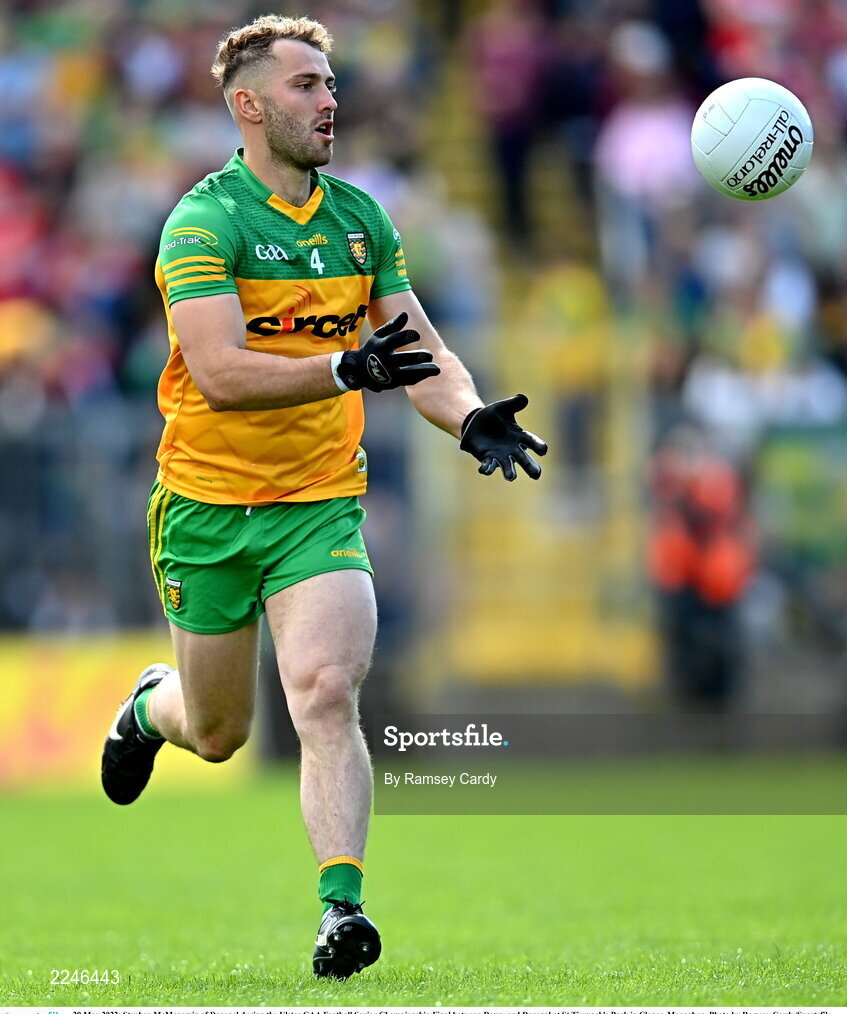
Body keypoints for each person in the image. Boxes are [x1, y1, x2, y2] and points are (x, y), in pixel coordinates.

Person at [100, 14, 547, 980]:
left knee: (325, 692)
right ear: (249, 106)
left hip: (318, 501)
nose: (330, 99)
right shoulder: (202, 222)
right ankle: (148, 710)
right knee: (218, 734)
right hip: (207, 505)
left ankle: (340, 910)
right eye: (306, 85)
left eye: (331, 82)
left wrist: (466, 415)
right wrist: (346, 368)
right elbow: (219, 372)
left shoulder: (360, 218)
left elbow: (414, 349)